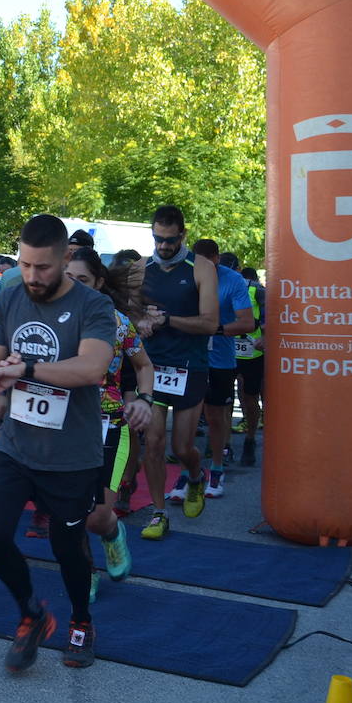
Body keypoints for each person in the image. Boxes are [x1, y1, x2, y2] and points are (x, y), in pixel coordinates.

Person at [0, 214, 115, 671]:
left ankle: (81, 620)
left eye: (43, 267)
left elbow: (91, 369)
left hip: (71, 455)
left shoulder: (93, 306)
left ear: (64, 258)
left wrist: (28, 371)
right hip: (16, 446)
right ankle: (31, 614)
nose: (33, 276)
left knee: (66, 547)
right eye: (26, 265)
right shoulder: (12, 295)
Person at [65, 247, 153, 600]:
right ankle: (85, 571)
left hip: (108, 423)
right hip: (61, 425)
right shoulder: (49, 318)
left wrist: (144, 400)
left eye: (82, 280)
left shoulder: (117, 323)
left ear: (99, 283)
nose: (74, 286)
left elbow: (144, 366)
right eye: (68, 278)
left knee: (97, 515)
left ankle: (113, 532)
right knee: (68, 511)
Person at [132, 205, 218, 540]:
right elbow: (128, 314)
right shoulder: (141, 267)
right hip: (151, 367)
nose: (163, 246)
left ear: (182, 234)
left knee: (182, 447)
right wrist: (140, 322)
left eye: (169, 240)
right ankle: (158, 512)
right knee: (152, 443)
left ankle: (196, 477)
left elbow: (210, 323)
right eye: (157, 239)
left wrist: (167, 320)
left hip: (189, 366)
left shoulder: (201, 268)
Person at [191, 239, 254, 497]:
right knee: (189, 418)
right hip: (188, 357)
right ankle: (188, 474)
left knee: (217, 417)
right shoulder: (186, 273)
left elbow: (247, 323)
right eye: (197, 262)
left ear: (216, 259)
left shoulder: (233, 281)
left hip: (220, 359)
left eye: (207, 262)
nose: (201, 267)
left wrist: (214, 329)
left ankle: (217, 469)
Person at [234, 263, 266, 465]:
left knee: (249, 396)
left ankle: (250, 439)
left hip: (252, 351)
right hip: (225, 350)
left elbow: (270, 317)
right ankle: (221, 444)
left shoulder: (256, 289)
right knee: (220, 399)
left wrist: (264, 335)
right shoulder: (215, 286)